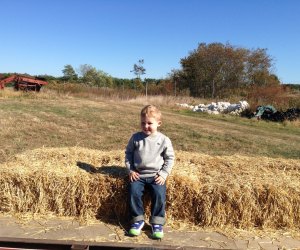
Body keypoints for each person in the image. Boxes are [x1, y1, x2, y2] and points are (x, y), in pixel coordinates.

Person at [125, 105, 175, 239]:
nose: (146, 126)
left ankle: (157, 223)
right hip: (139, 175)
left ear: (159, 123)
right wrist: (130, 170)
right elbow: (128, 154)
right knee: (133, 192)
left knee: (159, 194)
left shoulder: (164, 140)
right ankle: (137, 220)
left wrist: (164, 174)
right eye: (143, 123)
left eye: (149, 123)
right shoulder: (135, 138)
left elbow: (170, 158)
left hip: (156, 176)